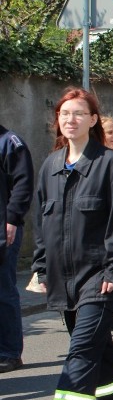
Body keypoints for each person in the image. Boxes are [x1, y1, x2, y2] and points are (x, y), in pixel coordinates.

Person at [33, 88, 113, 400]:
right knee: (99, 348)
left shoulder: (109, 164)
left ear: (93, 120)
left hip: (101, 278)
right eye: (64, 114)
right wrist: (40, 265)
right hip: (65, 280)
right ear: (57, 121)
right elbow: (42, 222)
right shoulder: (50, 166)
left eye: (78, 113)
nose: (70, 119)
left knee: (80, 355)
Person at [0, 123, 34, 375]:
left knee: (3, 290)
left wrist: (12, 219)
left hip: (3, 229)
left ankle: (10, 352)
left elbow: (23, 184)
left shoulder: (10, 142)